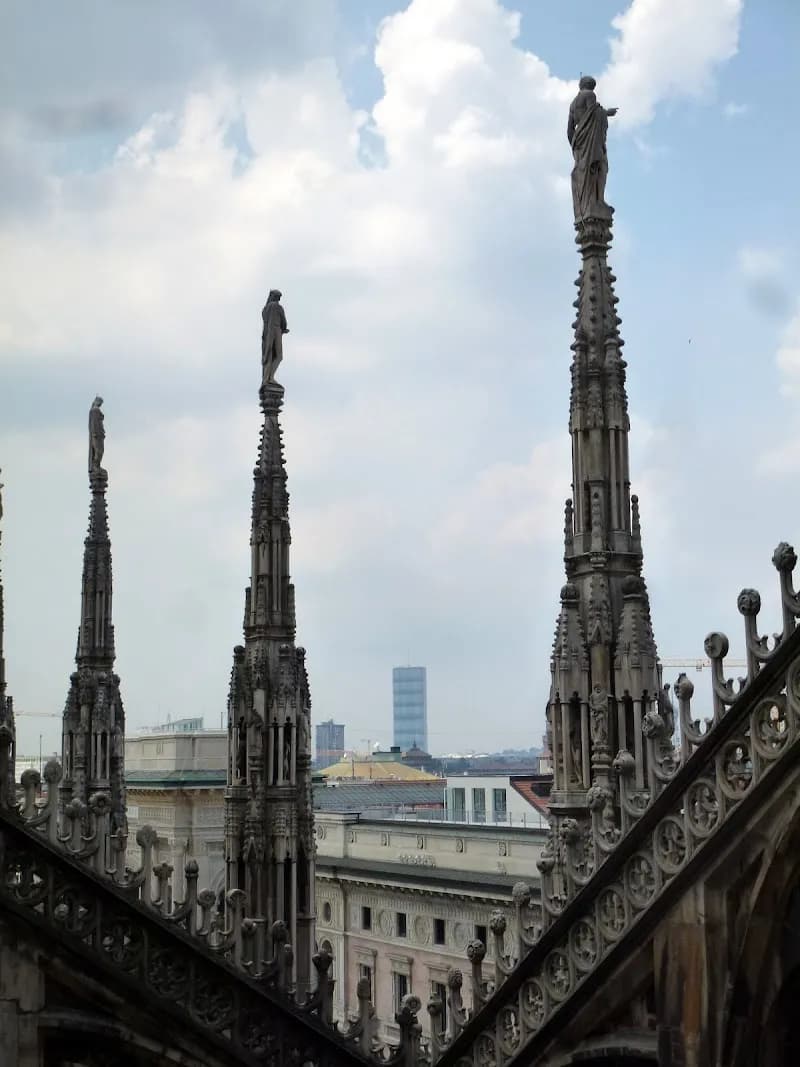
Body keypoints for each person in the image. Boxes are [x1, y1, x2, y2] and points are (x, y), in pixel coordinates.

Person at [567, 76, 617, 221]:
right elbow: (593, 114)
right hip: (591, 141)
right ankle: (598, 200)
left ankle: (589, 202)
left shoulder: (573, 104)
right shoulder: (590, 95)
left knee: (585, 172)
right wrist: (607, 113)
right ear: (590, 86)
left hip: (579, 142)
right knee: (601, 166)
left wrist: (575, 147)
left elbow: (569, 129)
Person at [261, 290, 289, 385]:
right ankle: (271, 377)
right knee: (279, 356)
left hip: (267, 333)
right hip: (276, 330)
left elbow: (264, 319)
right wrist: (284, 329)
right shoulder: (278, 307)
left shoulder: (265, 309)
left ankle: (266, 378)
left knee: (268, 355)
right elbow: (284, 322)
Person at [88, 396, 105, 473]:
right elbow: (93, 423)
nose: (101, 404)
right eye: (100, 402)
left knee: (100, 451)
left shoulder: (95, 410)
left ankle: (97, 466)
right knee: (98, 451)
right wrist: (95, 433)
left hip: (100, 434)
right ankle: (95, 466)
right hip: (96, 435)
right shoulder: (95, 410)